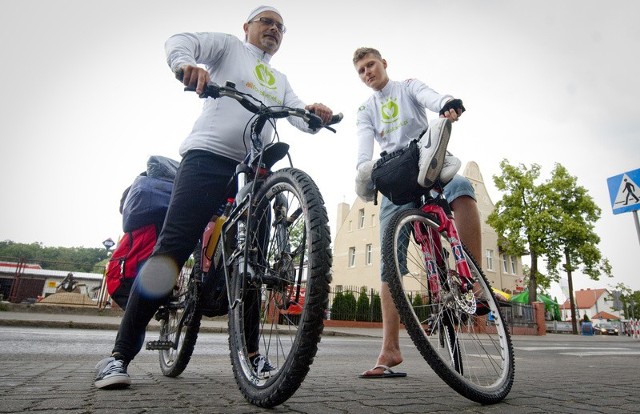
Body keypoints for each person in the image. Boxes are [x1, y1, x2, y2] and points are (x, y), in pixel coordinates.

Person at [94, 5, 334, 390]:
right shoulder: (227, 48)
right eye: (265, 22)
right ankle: (118, 357)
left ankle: (254, 357)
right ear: (247, 28)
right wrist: (187, 64)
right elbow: (180, 41)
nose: (272, 29)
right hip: (207, 157)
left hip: (254, 170)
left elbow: (297, 116)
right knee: (172, 249)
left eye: (279, 26)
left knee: (252, 261)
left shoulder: (278, 78)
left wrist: (314, 115)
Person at [352, 47, 482, 379]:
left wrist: (447, 104)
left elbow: (431, 96)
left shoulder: (407, 86)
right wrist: (363, 172)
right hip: (396, 174)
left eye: (371, 65)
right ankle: (390, 349)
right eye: (361, 70)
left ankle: (477, 285)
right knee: (388, 261)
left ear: (384, 64)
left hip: (428, 158)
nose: (368, 72)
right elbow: (363, 148)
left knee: (462, 189)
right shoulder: (366, 109)